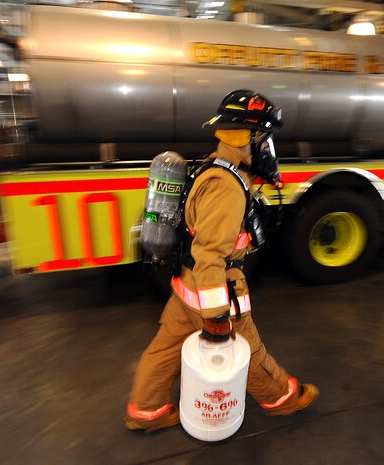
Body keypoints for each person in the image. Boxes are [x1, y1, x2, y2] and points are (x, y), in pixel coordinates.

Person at [125, 90, 319, 432]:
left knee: (166, 347)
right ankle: (281, 398)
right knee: (248, 350)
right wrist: (216, 315)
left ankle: (146, 410)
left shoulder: (217, 168)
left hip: (187, 285)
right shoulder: (227, 186)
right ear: (250, 136)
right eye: (266, 138)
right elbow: (210, 254)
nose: (268, 148)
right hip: (213, 290)